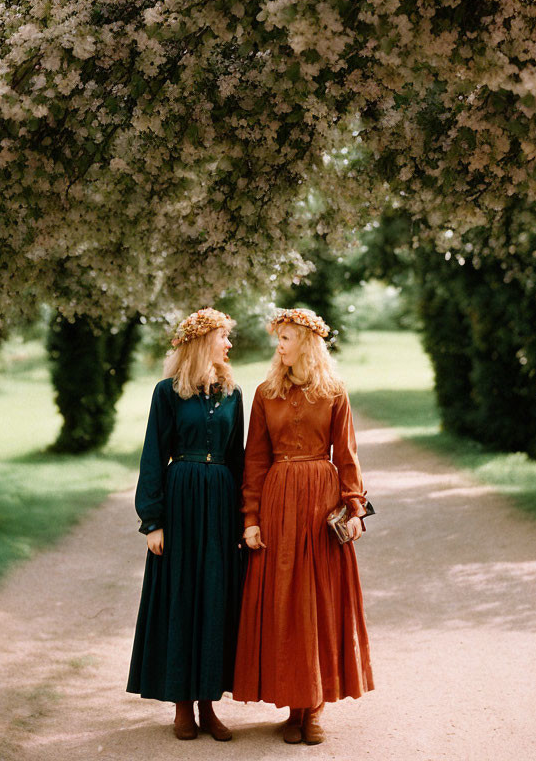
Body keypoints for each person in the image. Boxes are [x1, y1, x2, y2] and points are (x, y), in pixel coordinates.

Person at [232, 308, 374, 745]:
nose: (279, 345)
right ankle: (290, 707)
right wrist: (251, 519)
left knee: (319, 602)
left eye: (287, 338)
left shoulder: (334, 392)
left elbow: (347, 455)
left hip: (320, 503)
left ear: (307, 343)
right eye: (278, 338)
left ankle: (313, 710)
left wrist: (355, 509)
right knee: (283, 604)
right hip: (277, 502)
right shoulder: (265, 393)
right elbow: (254, 460)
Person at [127, 308, 245, 741]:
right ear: (202, 342)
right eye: (223, 338)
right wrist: (153, 521)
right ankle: (181, 706)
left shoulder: (234, 394)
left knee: (214, 597)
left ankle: (208, 705)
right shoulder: (167, 393)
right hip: (180, 502)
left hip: (219, 503)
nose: (229, 345)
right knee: (182, 596)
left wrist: (241, 521)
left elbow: (239, 460)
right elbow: (153, 456)